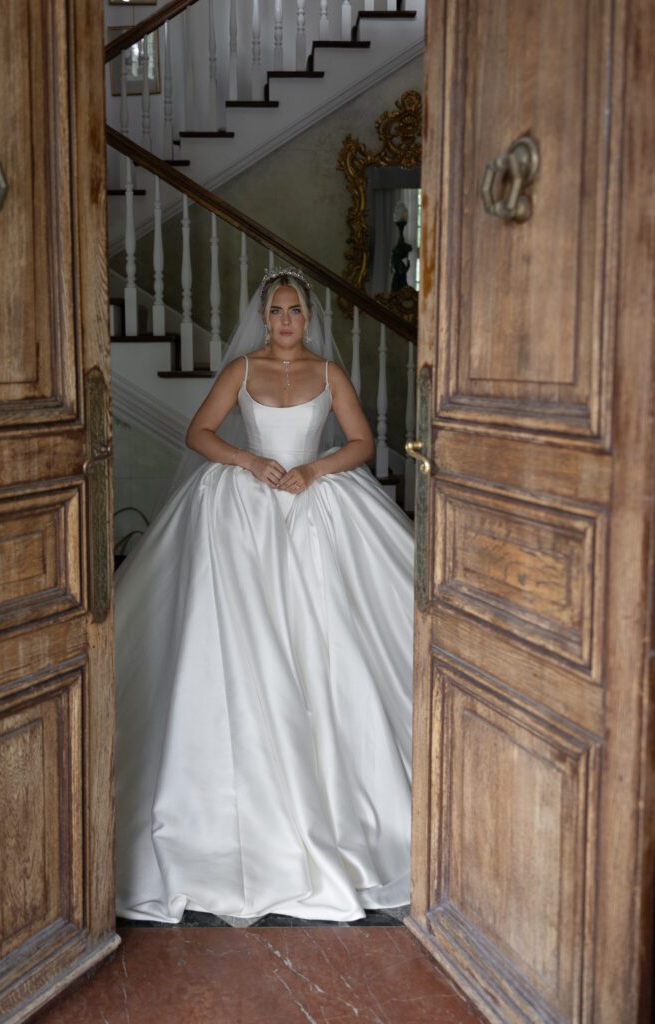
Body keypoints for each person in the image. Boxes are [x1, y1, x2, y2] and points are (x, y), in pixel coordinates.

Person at [114, 268, 415, 924]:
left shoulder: (330, 374)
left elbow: (361, 444)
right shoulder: (242, 370)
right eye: (276, 311)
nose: (285, 322)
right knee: (242, 642)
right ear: (263, 316)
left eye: (295, 312)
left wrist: (313, 468)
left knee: (330, 639)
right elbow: (200, 434)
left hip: (314, 500)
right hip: (246, 509)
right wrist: (249, 462)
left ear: (309, 318)